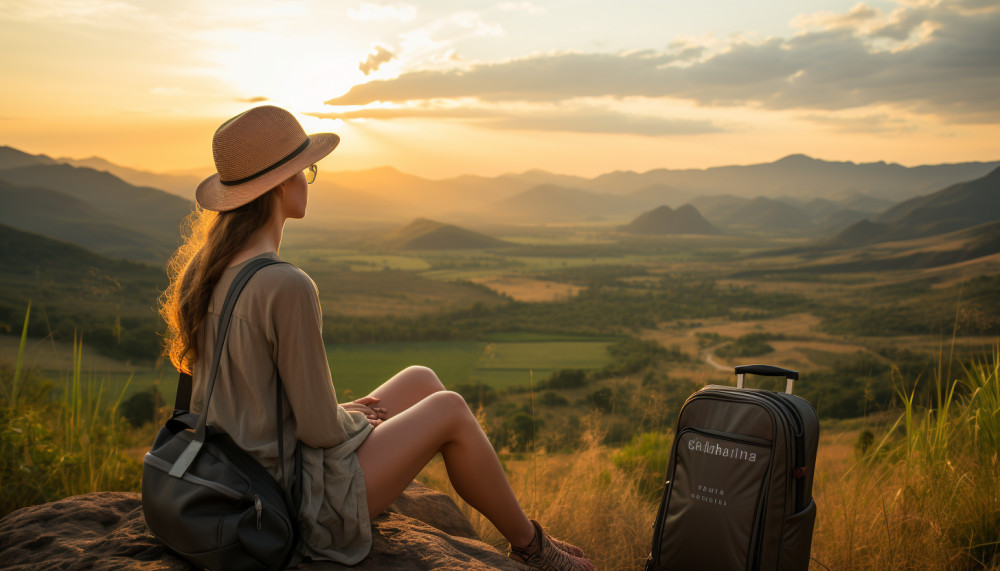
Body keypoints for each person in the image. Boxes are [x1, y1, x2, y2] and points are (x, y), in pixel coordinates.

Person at [159, 105, 594, 570]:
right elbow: (319, 431)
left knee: (421, 380)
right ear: (283, 184)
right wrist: (356, 424)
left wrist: (346, 413)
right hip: (287, 502)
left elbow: (247, 404)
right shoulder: (285, 285)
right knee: (449, 409)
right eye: (307, 169)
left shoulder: (202, 272)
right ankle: (532, 547)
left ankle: (528, 535)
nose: (309, 179)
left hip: (241, 472)